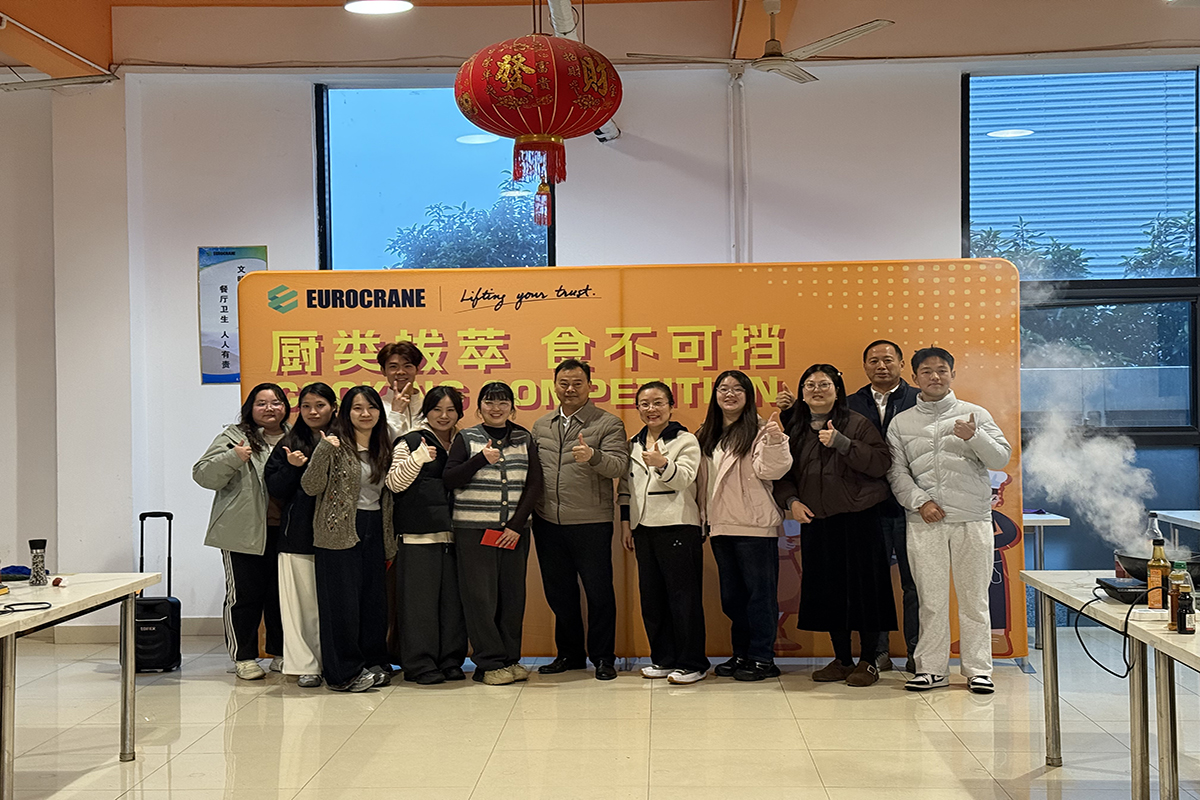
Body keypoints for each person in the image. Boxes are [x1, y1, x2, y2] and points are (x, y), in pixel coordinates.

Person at [886, 347, 1012, 695]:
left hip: (972, 518)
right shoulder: (901, 423)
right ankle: (931, 669)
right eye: (927, 371)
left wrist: (974, 436)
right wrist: (920, 501)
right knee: (930, 599)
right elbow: (896, 472)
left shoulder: (975, 414)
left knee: (975, 599)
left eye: (942, 370)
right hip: (925, 521)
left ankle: (978, 670)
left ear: (952, 375)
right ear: (914, 378)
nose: (935, 377)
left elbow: (1001, 458)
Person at [773, 364, 897, 687]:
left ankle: (869, 660)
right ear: (802, 393)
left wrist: (843, 443)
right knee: (829, 592)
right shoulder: (795, 428)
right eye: (810, 385)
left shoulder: (857, 422)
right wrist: (791, 501)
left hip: (860, 519)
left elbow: (881, 462)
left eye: (824, 384)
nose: (817, 390)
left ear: (837, 390)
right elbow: (783, 474)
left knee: (866, 591)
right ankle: (842, 659)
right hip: (818, 520)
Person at [531, 359, 628, 681]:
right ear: (555, 386)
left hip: (591, 521)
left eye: (576, 383)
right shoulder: (541, 425)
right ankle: (569, 655)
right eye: (564, 383)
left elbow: (619, 466)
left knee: (599, 593)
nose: (570, 389)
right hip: (548, 521)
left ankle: (603, 657)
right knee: (560, 593)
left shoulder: (607, 423)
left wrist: (594, 456)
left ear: (590, 386)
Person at [444, 381, 544, 686]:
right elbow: (450, 479)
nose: (496, 408)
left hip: (514, 532)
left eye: (503, 403)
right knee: (480, 599)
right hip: (474, 530)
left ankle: (510, 659)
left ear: (512, 407)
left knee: (513, 597)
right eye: (489, 402)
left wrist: (516, 525)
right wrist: (479, 460)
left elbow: (534, 484)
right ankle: (488, 663)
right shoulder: (467, 438)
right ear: (479, 408)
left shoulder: (524, 438)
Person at [696, 370, 792, 682]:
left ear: (748, 396)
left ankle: (762, 658)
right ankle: (741, 653)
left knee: (759, 597)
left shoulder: (761, 429)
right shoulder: (706, 434)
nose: (730, 394)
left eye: (738, 389)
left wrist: (776, 441)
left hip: (753, 526)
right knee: (733, 598)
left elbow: (771, 470)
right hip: (720, 525)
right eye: (723, 388)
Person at [301, 385, 396, 692]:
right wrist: (323, 450)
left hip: (374, 527)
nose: (365, 414)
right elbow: (310, 486)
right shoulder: (334, 444)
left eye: (371, 407)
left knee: (373, 602)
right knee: (341, 605)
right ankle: (343, 673)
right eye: (357, 408)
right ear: (345, 412)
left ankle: (374, 662)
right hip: (337, 531)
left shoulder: (385, 445)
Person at [193, 383, 289, 681]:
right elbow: (203, 475)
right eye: (262, 403)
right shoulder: (234, 437)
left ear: (285, 407)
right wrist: (233, 457)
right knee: (244, 597)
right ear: (250, 408)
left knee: (283, 596)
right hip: (242, 531)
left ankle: (282, 653)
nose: (270, 408)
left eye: (276, 402)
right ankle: (244, 657)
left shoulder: (296, 436)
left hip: (287, 531)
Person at [618, 381, 708, 685]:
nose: (651, 409)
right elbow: (626, 488)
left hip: (678, 525)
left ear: (671, 406)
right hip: (643, 528)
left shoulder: (685, 440)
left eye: (658, 403)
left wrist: (662, 464)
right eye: (644, 404)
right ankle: (664, 658)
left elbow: (684, 479)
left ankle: (692, 663)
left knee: (684, 598)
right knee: (652, 598)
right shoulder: (633, 443)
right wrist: (627, 524)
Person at [385, 386, 469, 685]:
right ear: (426, 411)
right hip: (417, 537)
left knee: (453, 605)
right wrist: (417, 459)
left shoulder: (465, 442)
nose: (444, 416)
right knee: (418, 606)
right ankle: (419, 663)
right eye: (437, 409)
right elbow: (394, 483)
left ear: (459, 412)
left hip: (456, 537)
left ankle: (450, 660)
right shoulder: (410, 440)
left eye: (450, 410)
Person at [846, 340, 921, 674]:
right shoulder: (850, 404)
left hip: (913, 506)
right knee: (872, 583)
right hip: (867, 507)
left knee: (915, 583)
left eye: (888, 360)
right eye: (873, 360)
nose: (881, 366)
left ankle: (918, 652)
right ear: (864, 366)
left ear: (902, 364)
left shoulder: (920, 399)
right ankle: (877, 653)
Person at [264, 382, 336, 688]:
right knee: (300, 607)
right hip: (298, 536)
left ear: (333, 407)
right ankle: (306, 666)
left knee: (333, 606)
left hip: (338, 535)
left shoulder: (344, 439)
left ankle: (336, 662)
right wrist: (293, 467)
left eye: (320, 405)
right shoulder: (289, 442)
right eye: (306, 406)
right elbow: (275, 489)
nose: (312, 412)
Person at [377, 339, 426, 663]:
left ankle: (416, 649)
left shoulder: (430, 404)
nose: (400, 372)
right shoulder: (375, 405)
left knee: (419, 582)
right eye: (393, 366)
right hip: (385, 502)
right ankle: (386, 650)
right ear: (383, 371)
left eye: (407, 365)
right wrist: (394, 412)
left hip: (423, 503)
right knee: (388, 582)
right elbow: (379, 450)